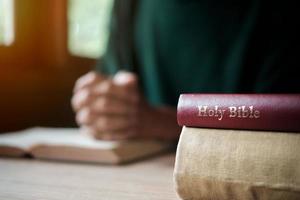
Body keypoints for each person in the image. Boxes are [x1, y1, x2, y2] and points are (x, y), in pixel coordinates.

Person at [71, 0, 299, 141]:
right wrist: (100, 106)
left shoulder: (277, 11)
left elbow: (280, 130)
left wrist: (158, 123)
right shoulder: (130, 5)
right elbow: (110, 90)